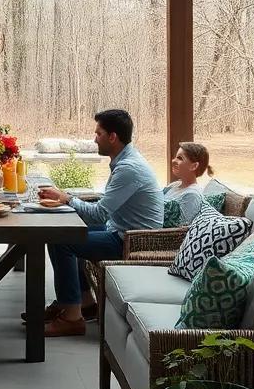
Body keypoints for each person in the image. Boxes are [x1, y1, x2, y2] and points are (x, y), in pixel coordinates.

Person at [35, 108, 163, 338]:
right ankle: (84, 304)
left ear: (112, 137)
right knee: (66, 229)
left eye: (99, 133)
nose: (95, 139)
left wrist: (66, 198)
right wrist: (67, 197)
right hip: (119, 229)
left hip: (131, 241)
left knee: (60, 239)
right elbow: (105, 208)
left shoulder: (128, 169)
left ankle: (72, 318)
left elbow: (98, 214)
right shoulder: (125, 160)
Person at [164, 141, 213, 223]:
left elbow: (182, 227)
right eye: (175, 157)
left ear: (194, 166)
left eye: (180, 158)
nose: (173, 161)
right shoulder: (174, 185)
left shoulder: (192, 195)